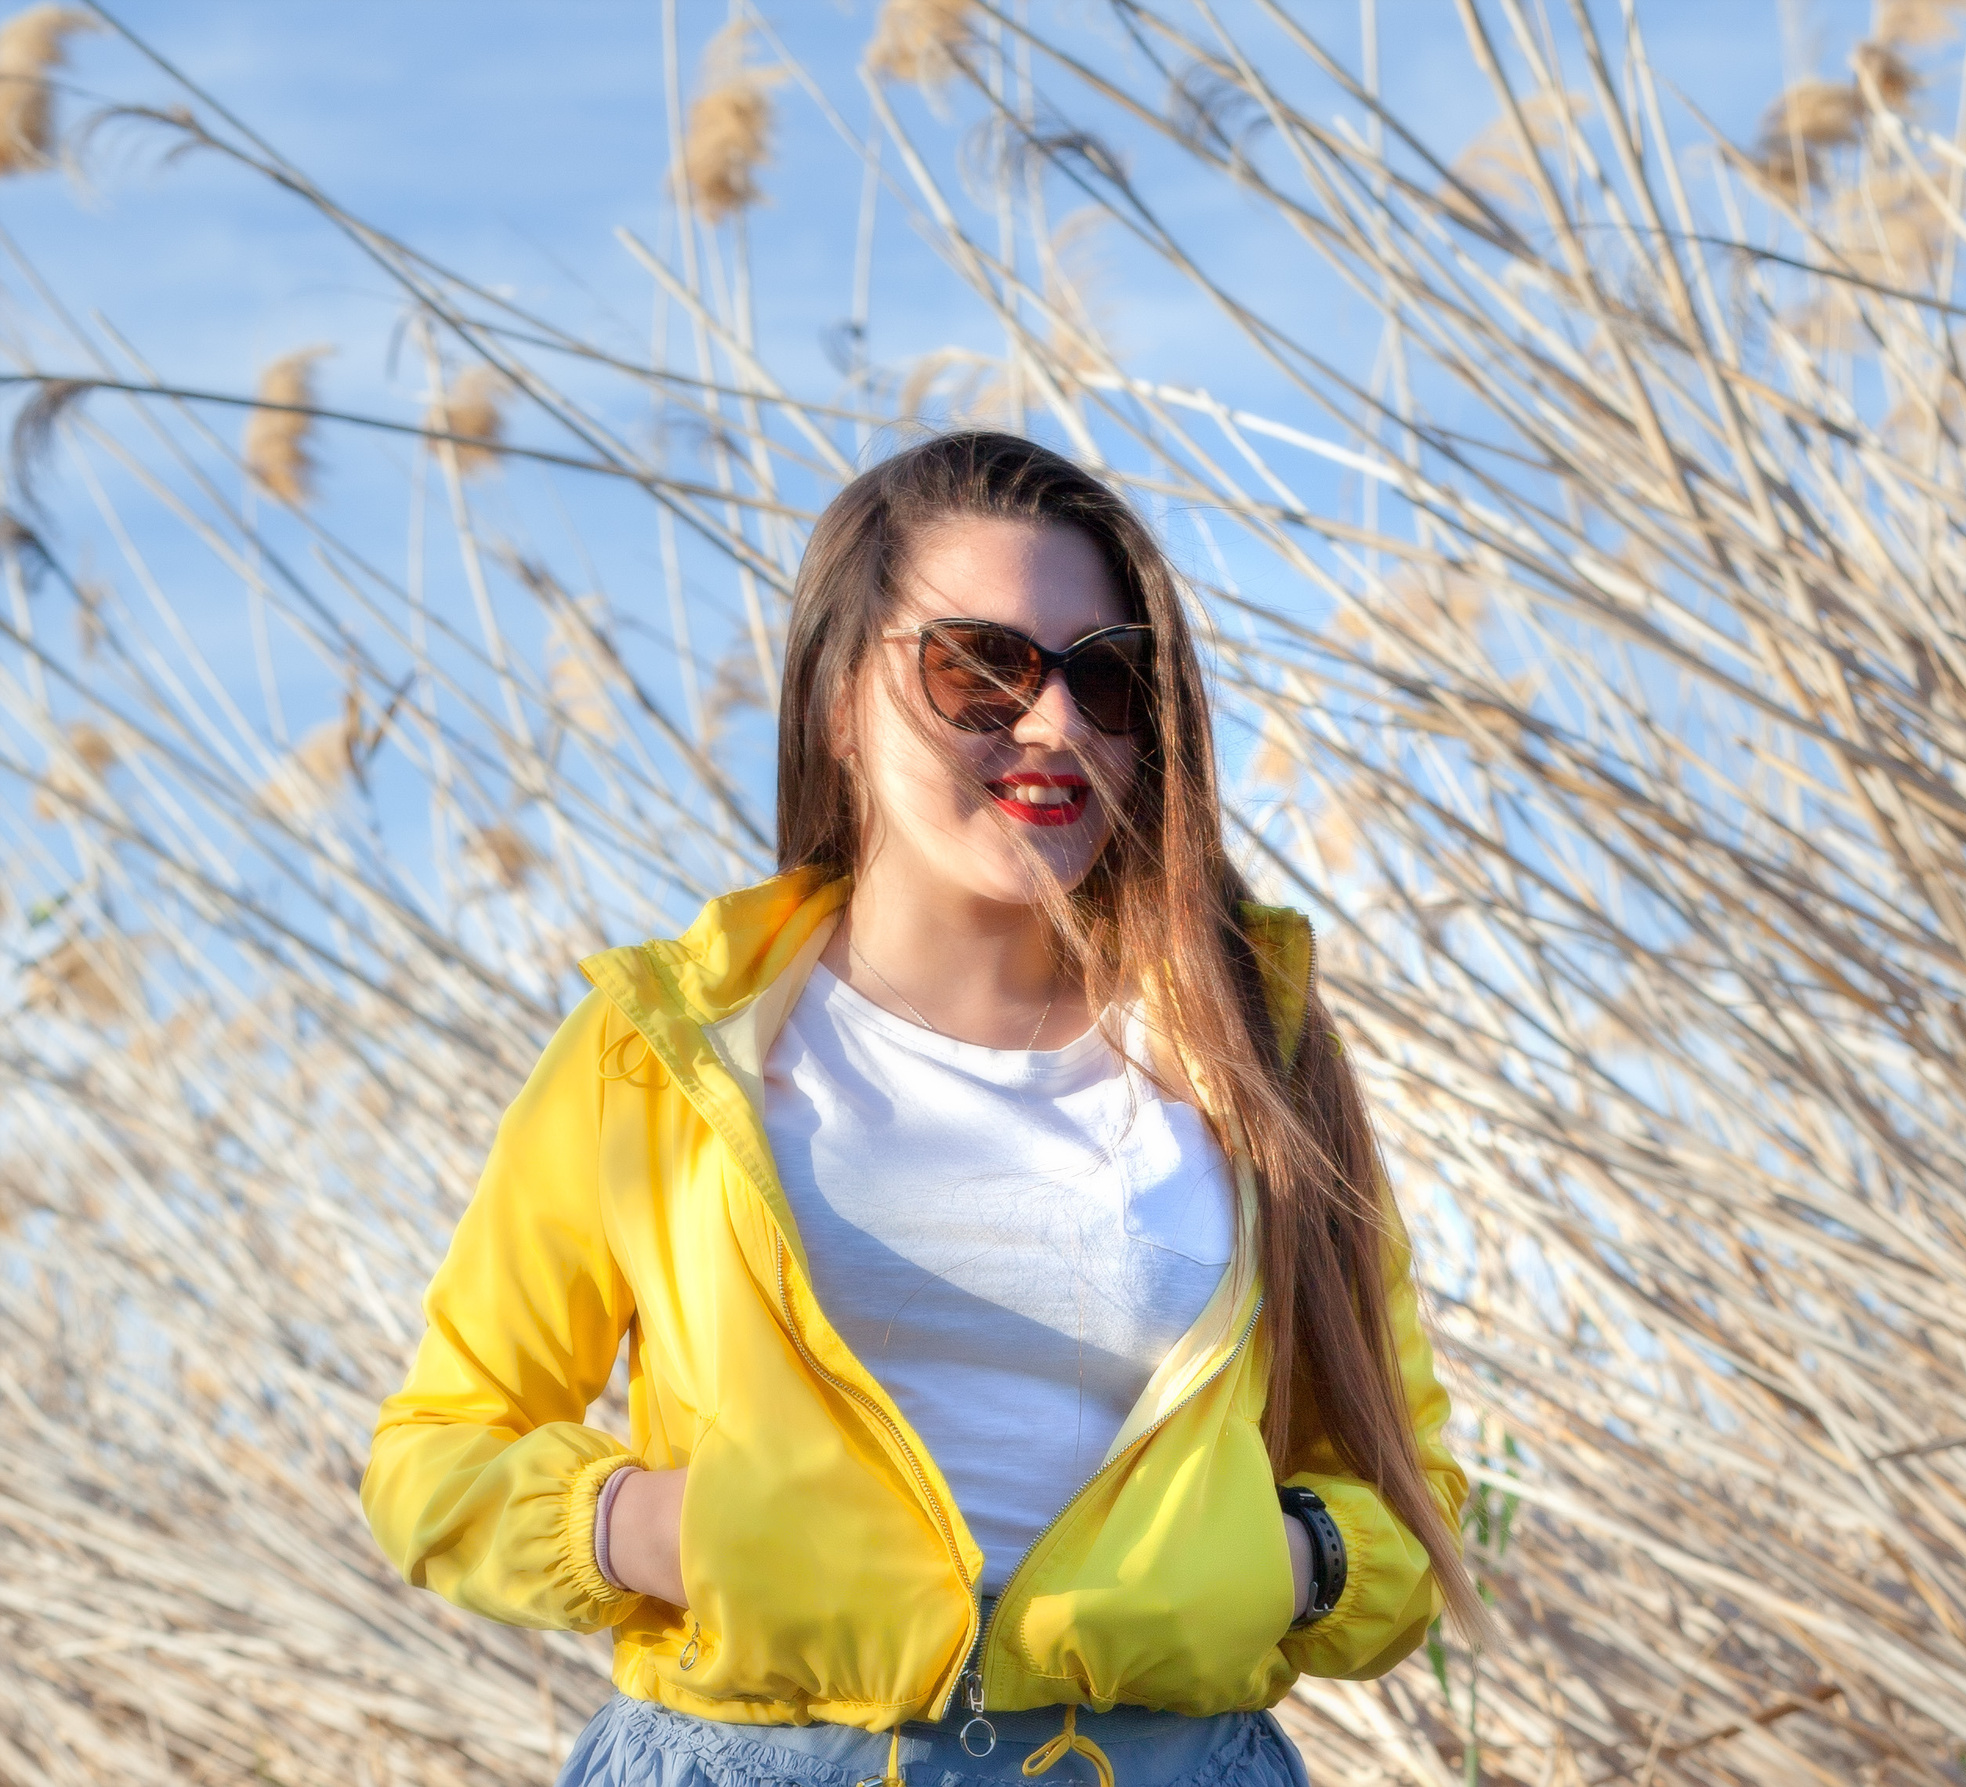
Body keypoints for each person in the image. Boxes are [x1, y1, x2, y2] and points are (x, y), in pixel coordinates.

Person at [362, 431, 1473, 1787]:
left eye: (1110, 678)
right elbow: (436, 1460)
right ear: (840, 699)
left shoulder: (1255, 1061)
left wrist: (1277, 1560)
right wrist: (672, 1531)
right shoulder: (660, 1054)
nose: (1054, 725)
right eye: (981, 668)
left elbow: (1410, 1506)